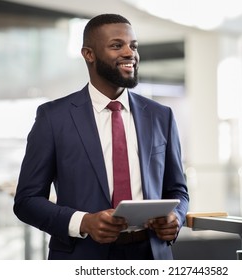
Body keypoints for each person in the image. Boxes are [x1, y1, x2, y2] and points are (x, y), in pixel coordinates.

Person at [13, 13, 189, 260]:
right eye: (117, 46)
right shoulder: (53, 117)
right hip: (82, 255)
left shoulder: (161, 116)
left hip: (152, 255)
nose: (130, 53)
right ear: (89, 54)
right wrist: (83, 222)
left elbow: (178, 190)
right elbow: (27, 201)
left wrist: (176, 217)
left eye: (133, 46)